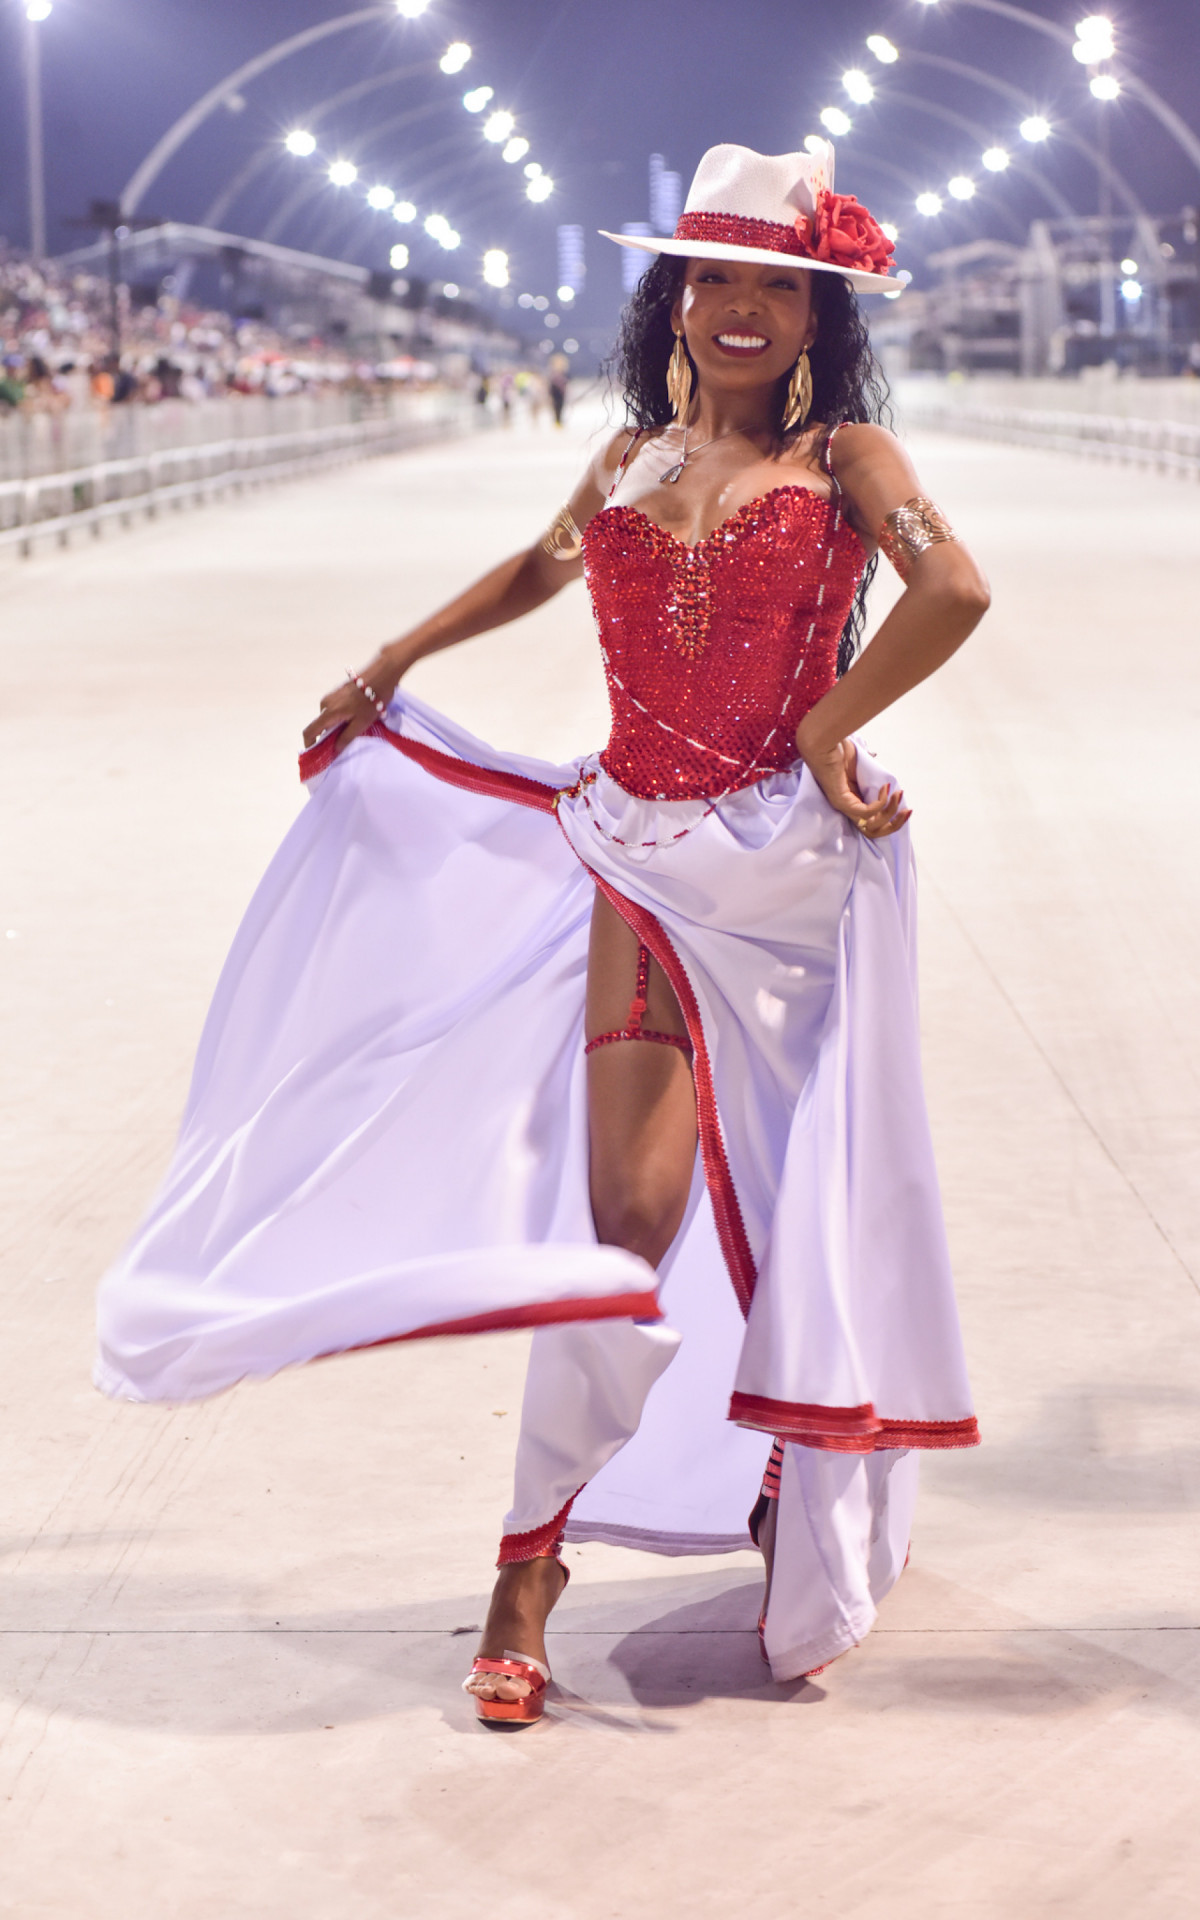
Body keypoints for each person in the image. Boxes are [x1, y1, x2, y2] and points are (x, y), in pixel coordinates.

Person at [96, 142, 989, 1725]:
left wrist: (831, 736)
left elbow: (955, 591)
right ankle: (529, 1567)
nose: (739, 309)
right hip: (635, 862)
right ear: (674, 293)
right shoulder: (626, 464)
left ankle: (792, 1477)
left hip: (788, 887)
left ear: (815, 310)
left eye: (775, 284)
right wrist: (392, 655)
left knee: (799, 1218)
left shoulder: (857, 460)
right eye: (713, 276)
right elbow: (537, 568)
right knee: (624, 1220)